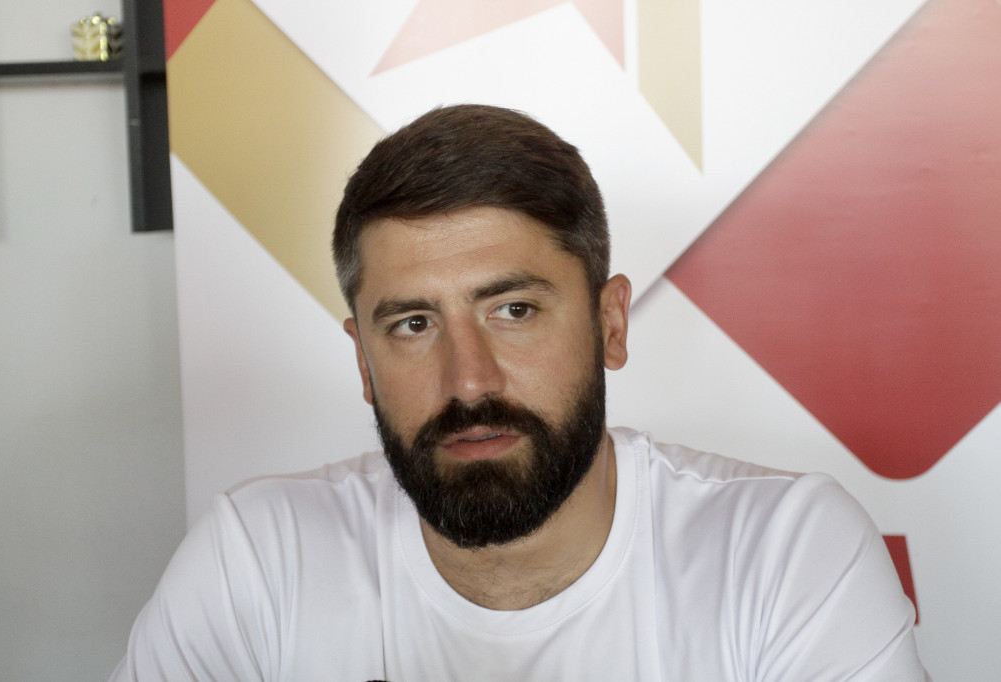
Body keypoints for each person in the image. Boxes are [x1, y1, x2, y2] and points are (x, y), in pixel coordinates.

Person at [112, 104, 929, 680]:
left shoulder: (783, 552)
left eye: (513, 311)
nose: (469, 381)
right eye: (412, 324)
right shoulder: (255, 561)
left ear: (610, 323)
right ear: (362, 359)